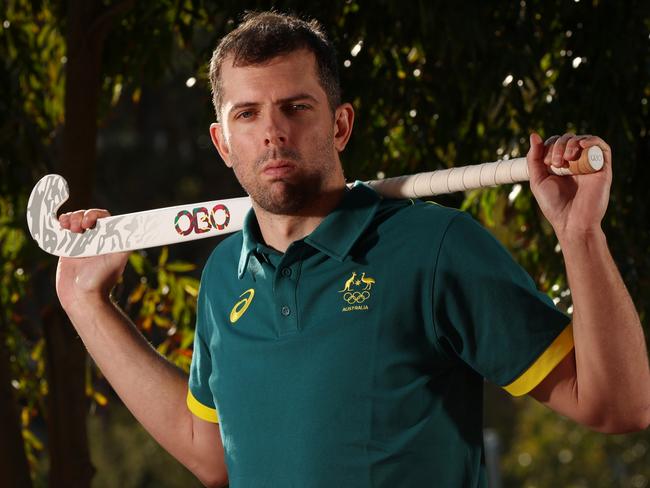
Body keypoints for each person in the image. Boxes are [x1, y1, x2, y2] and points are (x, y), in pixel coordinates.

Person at [56, 10, 650, 488]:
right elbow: (211, 455)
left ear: (339, 125)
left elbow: (619, 405)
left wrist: (580, 234)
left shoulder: (435, 248)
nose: (273, 131)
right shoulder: (223, 278)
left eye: (295, 106)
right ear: (223, 142)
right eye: (247, 113)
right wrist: (88, 304)